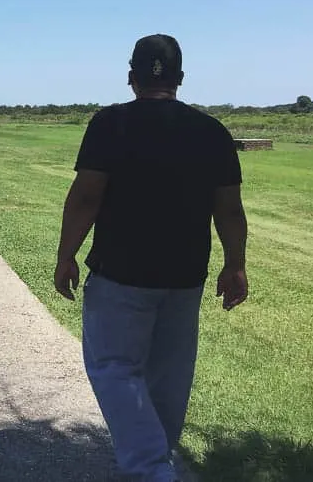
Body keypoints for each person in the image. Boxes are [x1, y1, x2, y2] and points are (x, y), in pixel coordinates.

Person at [54, 34, 249, 482]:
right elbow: (230, 209)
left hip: (120, 274)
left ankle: (149, 470)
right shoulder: (211, 132)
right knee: (169, 378)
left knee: (114, 367)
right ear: (180, 78)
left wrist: (67, 255)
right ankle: (157, 459)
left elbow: (86, 196)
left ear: (131, 77)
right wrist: (235, 264)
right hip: (185, 277)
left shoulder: (110, 124)